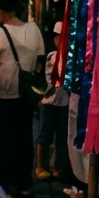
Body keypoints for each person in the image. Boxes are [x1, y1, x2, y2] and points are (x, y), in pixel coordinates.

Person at [0, 0, 44, 198]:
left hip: (2, 93)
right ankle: (23, 183)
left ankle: (3, 187)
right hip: (25, 94)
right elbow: (39, 63)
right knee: (23, 139)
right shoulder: (33, 29)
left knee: (0, 143)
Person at [37, 21, 72, 182]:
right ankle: (40, 166)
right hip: (49, 102)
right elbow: (54, 78)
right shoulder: (52, 56)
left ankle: (56, 166)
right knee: (45, 135)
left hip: (65, 103)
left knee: (62, 136)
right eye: (59, 37)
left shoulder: (71, 56)